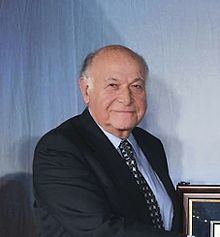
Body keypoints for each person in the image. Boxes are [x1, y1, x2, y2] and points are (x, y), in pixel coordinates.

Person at [33, 45, 183, 237]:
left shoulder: (151, 145)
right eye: (113, 85)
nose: (127, 98)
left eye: (136, 86)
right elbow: (99, 230)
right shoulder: (59, 149)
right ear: (86, 90)